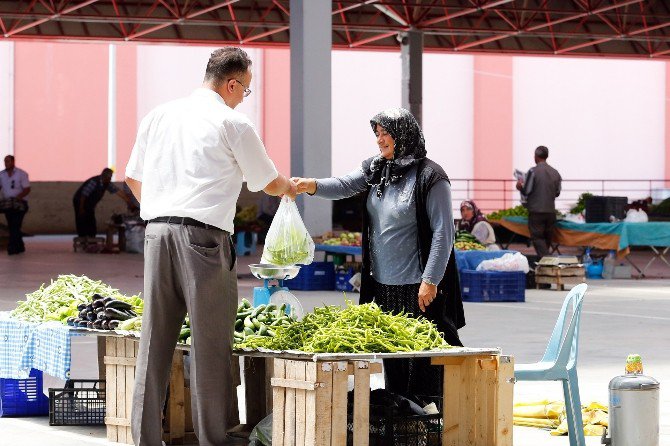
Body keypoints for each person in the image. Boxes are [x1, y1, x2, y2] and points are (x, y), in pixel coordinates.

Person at [124, 47, 296, 446]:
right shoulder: (231, 123)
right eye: (245, 90)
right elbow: (268, 182)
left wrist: (161, 209)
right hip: (202, 240)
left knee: (154, 344)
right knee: (210, 346)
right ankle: (211, 441)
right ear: (231, 83)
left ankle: (144, 439)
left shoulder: (159, 115)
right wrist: (290, 187)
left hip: (156, 233)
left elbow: (133, 178)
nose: (243, 97)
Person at [292, 108, 464, 399]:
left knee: (424, 359)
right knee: (393, 358)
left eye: (386, 134)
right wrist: (311, 186)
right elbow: (345, 185)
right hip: (383, 287)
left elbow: (443, 232)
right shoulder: (376, 169)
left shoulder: (431, 177)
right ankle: (400, 421)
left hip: (419, 288)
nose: (380, 140)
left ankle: (430, 420)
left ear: (403, 135)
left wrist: (431, 279)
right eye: (378, 134)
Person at [516, 146, 562, 257]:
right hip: (550, 211)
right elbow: (557, 193)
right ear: (547, 156)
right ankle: (545, 263)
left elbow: (527, 191)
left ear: (536, 157)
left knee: (537, 237)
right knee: (546, 239)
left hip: (536, 211)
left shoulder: (533, 171)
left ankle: (547, 260)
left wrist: (519, 187)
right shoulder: (556, 173)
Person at [72, 168, 135, 238]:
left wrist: (129, 202)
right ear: (104, 176)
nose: (110, 179)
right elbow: (83, 195)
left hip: (89, 203)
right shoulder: (94, 182)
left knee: (90, 218)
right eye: (110, 177)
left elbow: (118, 191)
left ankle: (91, 237)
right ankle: (83, 237)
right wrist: (81, 208)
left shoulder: (106, 183)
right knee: (81, 218)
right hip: (80, 201)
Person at [0, 155, 30, 255]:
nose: (6, 163)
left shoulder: (21, 174)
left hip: (19, 205)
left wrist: (19, 197)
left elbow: (27, 189)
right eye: (5, 161)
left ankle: (12, 247)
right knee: (13, 226)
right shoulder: (2, 175)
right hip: (8, 205)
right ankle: (20, 246)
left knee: (15, 225)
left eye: (8, 161)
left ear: (13, 162)